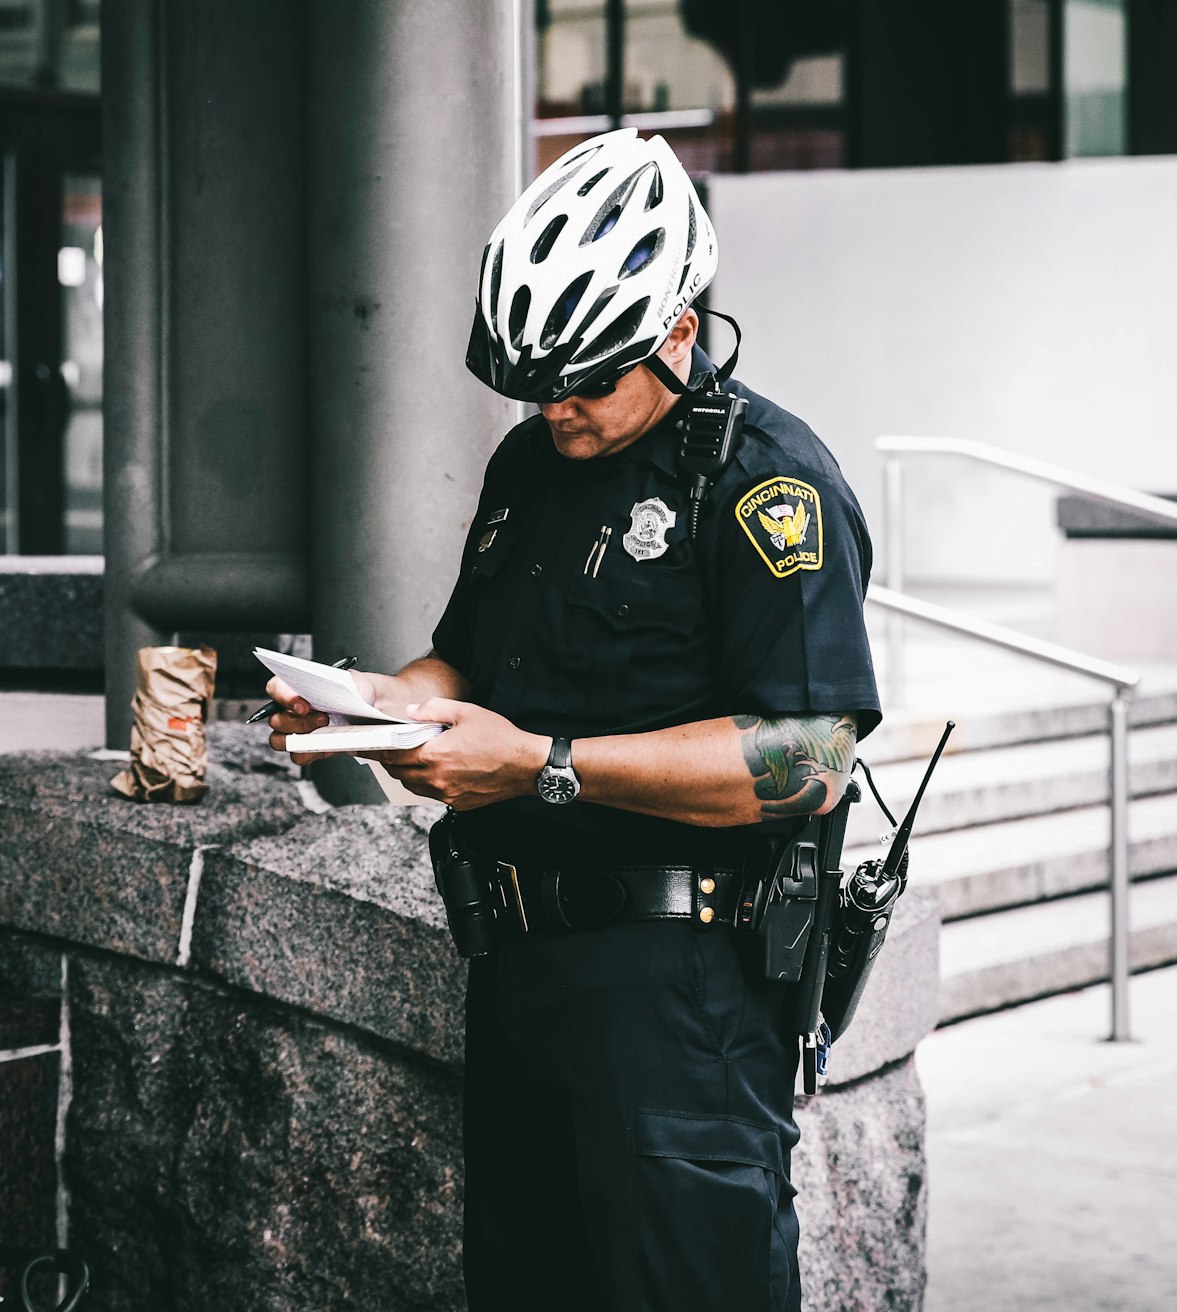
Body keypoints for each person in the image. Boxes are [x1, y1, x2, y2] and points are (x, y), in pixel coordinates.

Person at [266, 129, 880, 1312]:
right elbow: (465, 660)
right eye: (536, 381)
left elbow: (807, 760)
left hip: (685, 994)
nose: (560, 407)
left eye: (589, 378)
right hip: (521, 976)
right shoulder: (530, 465)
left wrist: (541, 767)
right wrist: (378, 707)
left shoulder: (765, 482)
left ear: (679, 335)